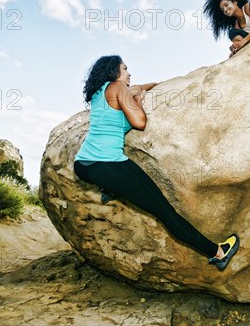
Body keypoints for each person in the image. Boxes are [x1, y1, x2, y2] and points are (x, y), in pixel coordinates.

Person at [73, 55, 240, 270]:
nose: (129, 73)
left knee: (118, 178)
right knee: (164, 211)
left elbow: (135, 97)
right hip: (107, 164)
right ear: (114, 72)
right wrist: (137, 103)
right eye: (125, 69)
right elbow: (139, 122)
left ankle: (109, 188)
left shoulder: (100, 93)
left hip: (83, 165)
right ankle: (218, 253)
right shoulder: (117, 87)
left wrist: (153, 86)